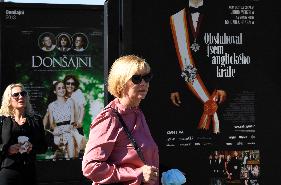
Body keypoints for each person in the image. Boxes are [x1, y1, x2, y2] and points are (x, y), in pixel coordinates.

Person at [82, 55, 159, 185]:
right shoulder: (110, 118)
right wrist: (137, 174)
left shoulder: (137, 113)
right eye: (136, 78)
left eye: (147, 77)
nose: (144, 83)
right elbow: (91, 167)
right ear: (121, 82)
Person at [168, 0, 227, 134]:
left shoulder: (218, 15)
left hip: (212, 83)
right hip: (185, 85)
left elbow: (225, 50)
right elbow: (170, 55)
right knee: (189, 129)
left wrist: (222, 85)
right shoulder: (176, 18)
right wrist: (173, 87)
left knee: (213, 135)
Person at [0, 83, 47, 185]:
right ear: (9, 99)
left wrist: (32, 147)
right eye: (16, 95)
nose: (20, 97)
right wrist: (8, 149)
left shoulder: (36, 120)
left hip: (29, 171)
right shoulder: (3, 121)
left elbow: (43, 147)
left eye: (23, 94)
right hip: (9, 171)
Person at [47, 81, 84, 159]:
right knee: (58, 144)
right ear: (55, 91)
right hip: (58, 131)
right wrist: (56, 129)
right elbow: (51, 124)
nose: (62, 90)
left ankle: (72, 160)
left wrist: (69, 128)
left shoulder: (71, 101)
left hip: (69, 129)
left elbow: (72, 120)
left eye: (63, 88)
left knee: (70, 141)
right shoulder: (51, 106)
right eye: (59, 88)